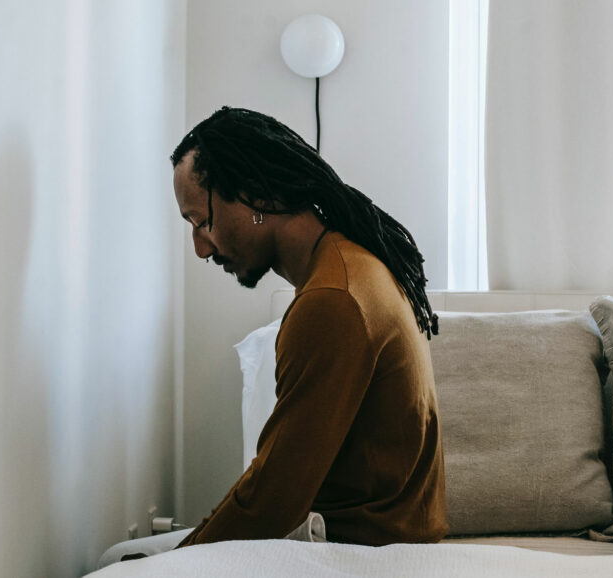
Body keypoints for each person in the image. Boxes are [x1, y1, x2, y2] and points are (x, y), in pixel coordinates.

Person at [99, 106, 447, 567]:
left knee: (118, 562)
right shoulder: (353, 264)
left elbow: (271, 503)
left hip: (356, 553)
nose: (201, 248)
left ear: (254, 194)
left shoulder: (332, 301)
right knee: (119, 555)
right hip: (381, 537)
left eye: (201, 222)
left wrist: (178, 562)